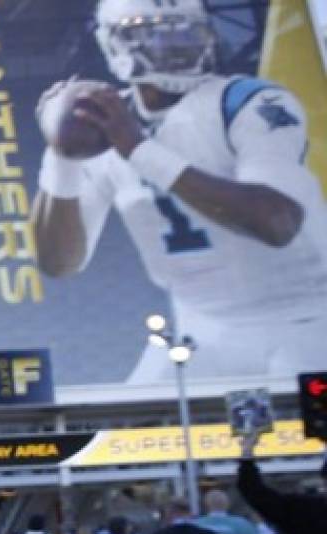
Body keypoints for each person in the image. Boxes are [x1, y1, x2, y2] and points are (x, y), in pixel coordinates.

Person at [31, 0, 327, 383]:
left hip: (306, 320)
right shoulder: (103, 121)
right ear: (113, 44)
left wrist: (140, 150)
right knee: (125, 437)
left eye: (183, 31)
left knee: (307, 438)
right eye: (153, 34)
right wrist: (60, 157)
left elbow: (278, 222)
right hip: (201, 331)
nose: (173, 45)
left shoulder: (248, 102)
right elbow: (60, 261)